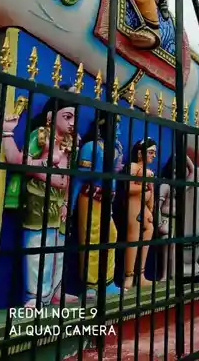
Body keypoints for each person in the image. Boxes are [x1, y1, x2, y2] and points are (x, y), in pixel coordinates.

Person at [2, 88, 79, 307]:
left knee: (59, 251)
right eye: (67, 116)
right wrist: (45, 167)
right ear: (50, 117)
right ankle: (35, 295)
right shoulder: (41, 136)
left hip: (59, 203)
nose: (72, 122)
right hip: (38, 199)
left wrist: (65, 202)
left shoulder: (71, 143)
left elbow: (70, 177)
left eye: (74, 117)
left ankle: (56, 291)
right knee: (38, 250)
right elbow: (19, 160)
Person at [74, 115, 123, 296]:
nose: (118, 129)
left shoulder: (116, 147)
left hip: (106, 199)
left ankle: (107, 281)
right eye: (115, 125)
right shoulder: (91, 147)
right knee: (91, 238)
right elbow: (81, 175)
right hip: (90, 196)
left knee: (111, 235)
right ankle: (91, 284)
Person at [124, 138, 156, 288]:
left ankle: (141, 273)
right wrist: (145, 187)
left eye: (154, 153)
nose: (153, 156)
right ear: (139, 153)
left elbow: (151, 195)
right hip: (133, 205)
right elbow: (128, 189)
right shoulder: (133, 167)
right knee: (133, 237)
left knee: (149, 229)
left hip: (143, 206)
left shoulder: (148, 172)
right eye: (150, 152)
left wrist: (151, 187)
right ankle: (128, 276)